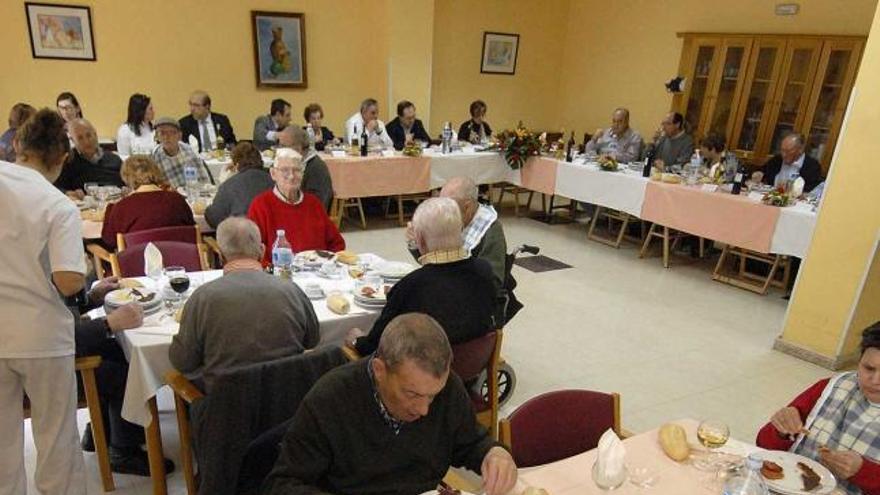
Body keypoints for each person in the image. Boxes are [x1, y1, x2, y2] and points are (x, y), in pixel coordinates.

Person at [264, 313, 518, 495]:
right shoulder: (331, 399)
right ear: (379, 370)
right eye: (412, 394)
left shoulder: (446, 388)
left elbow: (470, 441)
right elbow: (283, 483)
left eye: (432, 396)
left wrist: (494, 453)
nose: (424, 410)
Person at [0, 109, 87, 494]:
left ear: (18, 144)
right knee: (56, 439)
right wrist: (83, 266)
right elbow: (68, 282)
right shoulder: (58, 205)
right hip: (40, 333)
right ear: (62, 158)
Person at [169, 217, 319, 386]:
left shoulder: (202, 298)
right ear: (262, 251)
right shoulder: (292, 290)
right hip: (288, 401)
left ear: (220, 254)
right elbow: (312, 340)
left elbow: (183, 361)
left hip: (226, 406)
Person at [348, 197, 495, 356]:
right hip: (472, 366)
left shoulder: (411, 286)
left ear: (420, 240)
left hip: (424, 374)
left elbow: (373, 348)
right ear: (461, 231)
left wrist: (357, 340)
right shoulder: (485, 270)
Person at [756, 322, 880, 495]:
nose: (875, 380)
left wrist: (864, 471)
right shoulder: (832, 388)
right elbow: (763, 444)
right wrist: (780, 432)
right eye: (869, 368)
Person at [71, 277, 176, 475]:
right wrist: (107, 324)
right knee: (127, 373)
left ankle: (100, 431)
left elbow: (63, 315)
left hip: (68, 354)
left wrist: (92, 298)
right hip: (56, 371)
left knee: (120, 350)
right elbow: (52, 339)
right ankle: (123, 451)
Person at [247, 148, 345, 265]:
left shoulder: (313, 203)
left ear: (303, 174)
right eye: (285, 170)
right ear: (273, 174)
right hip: (280, 276)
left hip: (318, 274)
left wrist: (328, 265)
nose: (291, 176)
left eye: (297, 170)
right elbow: (253, 253)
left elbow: (337, 243)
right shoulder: (260, 205)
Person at [101, 156, 195, 250]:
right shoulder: (177, 199)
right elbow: (192, 230)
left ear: (126, 177)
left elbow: (110, 240)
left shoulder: (122, 207)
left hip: (139, 262)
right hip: (182, 261)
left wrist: (110, 210)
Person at [205, 142, 274, 228]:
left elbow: (215, 219)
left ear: (236, 165)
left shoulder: (229, 185)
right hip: (272, 236)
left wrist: (207, 210)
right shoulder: (274, 181)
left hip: (242, 237)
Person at [54, 119, 124, 196]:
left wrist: (126, 189)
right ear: (73, 141)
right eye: (80, 138)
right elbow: (56, 188)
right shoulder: (68, 162)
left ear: (95, 134)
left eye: (88, 135)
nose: (86, 141)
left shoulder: (115, 159)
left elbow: (127, 183)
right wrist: (69, 193)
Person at [279, 125, 333, 211]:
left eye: (283, 146)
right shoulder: (299, 163)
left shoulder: (315, 168)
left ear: (298, 148)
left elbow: (316, 206)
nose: (280, 150)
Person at [151, 116, 211, 188]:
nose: (166, 137)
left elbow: (204, 181)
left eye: (171, 132)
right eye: (162, 133)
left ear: (179, 135)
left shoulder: (190, 152)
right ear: (157, 137)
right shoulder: (154, 158)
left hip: (193, 193)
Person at [753, 133, 823, 193]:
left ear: (800, 149)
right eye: (782, 150)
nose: (783, 155)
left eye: (788, 151)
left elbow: (811, 190)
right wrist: (758, 174)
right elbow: (762, 171)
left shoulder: (813, 166)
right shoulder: (776, 160)